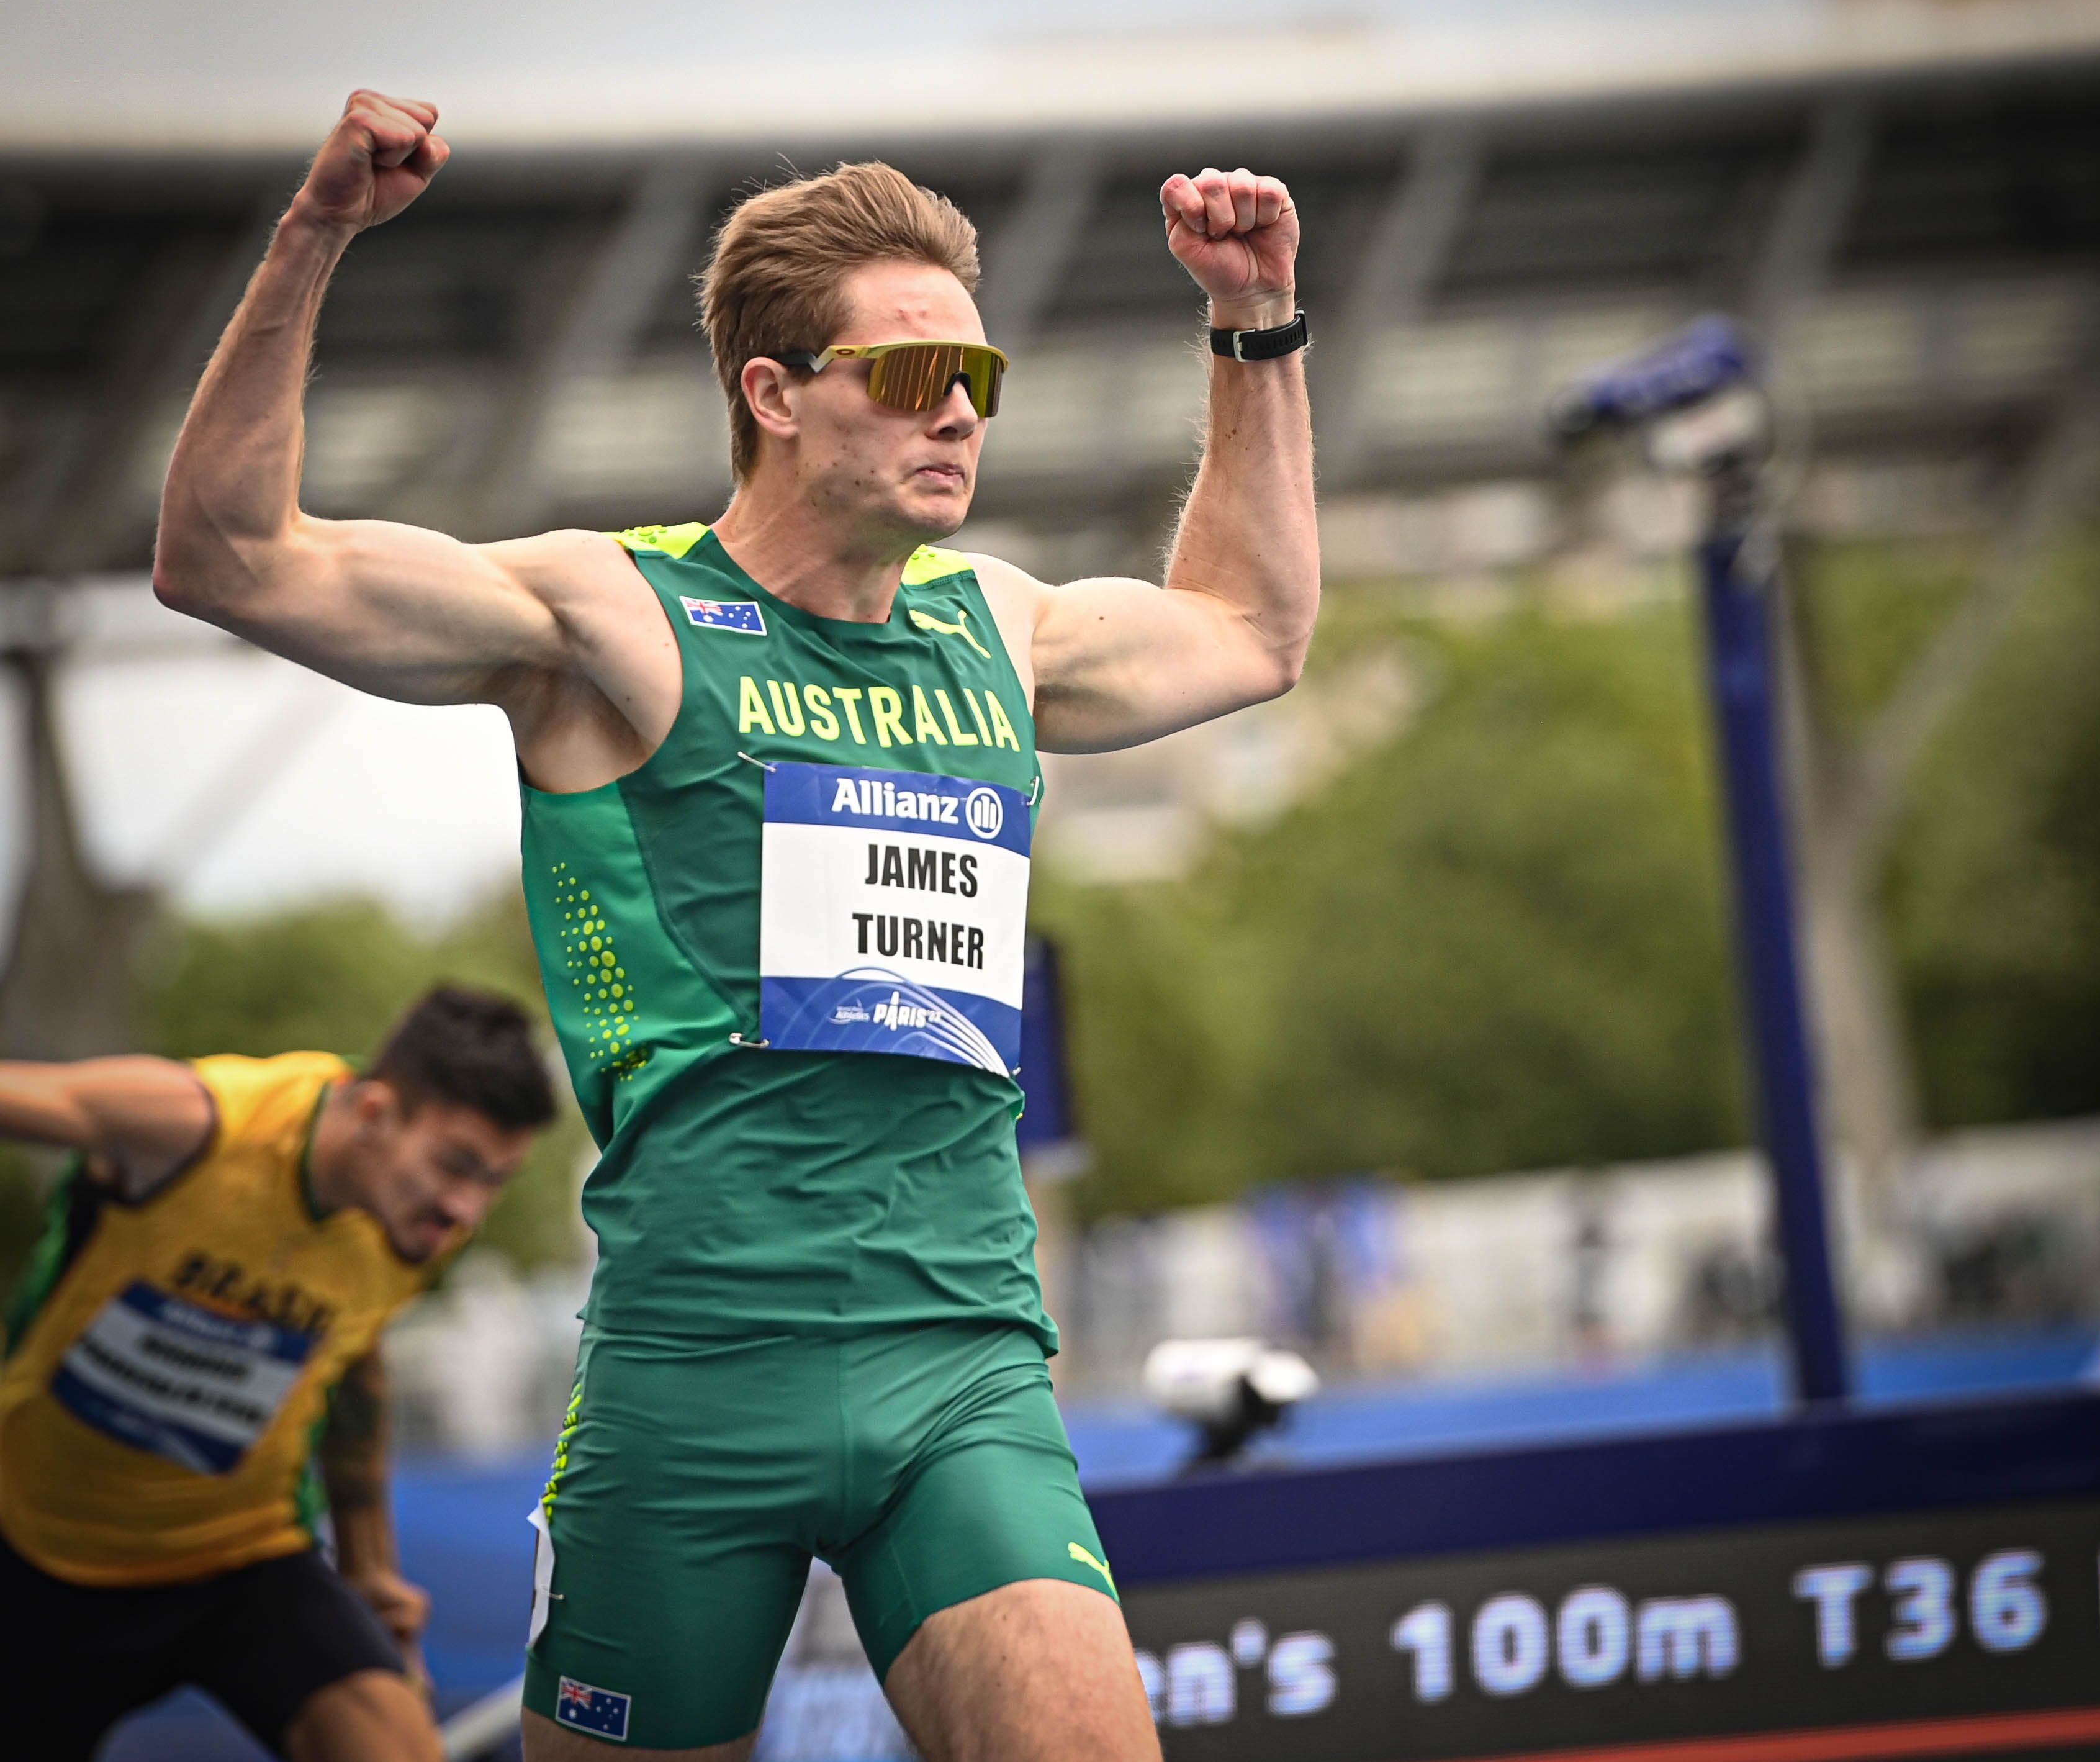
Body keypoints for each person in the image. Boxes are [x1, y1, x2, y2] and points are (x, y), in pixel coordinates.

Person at [151, 89, 1317, 1761]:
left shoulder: (993, 624)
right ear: (769, 394)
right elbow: (225, 555)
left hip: (961, 1368)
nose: (957, 414)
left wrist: (1248, 320)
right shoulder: (609, 615)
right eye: (912, 374)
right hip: (691, 1385)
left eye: (974, 376)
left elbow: (1248, 625)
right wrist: (314, 231)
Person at [0, 985, 556, 1761]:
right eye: (455, 1164)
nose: (466, 1208)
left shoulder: (417, 1223)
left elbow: (354, 1362)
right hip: (37, 1557)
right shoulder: (198, 1127)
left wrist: (369, 1570)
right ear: (373, 1116)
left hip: (241, 1559)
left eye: (494, 1179)